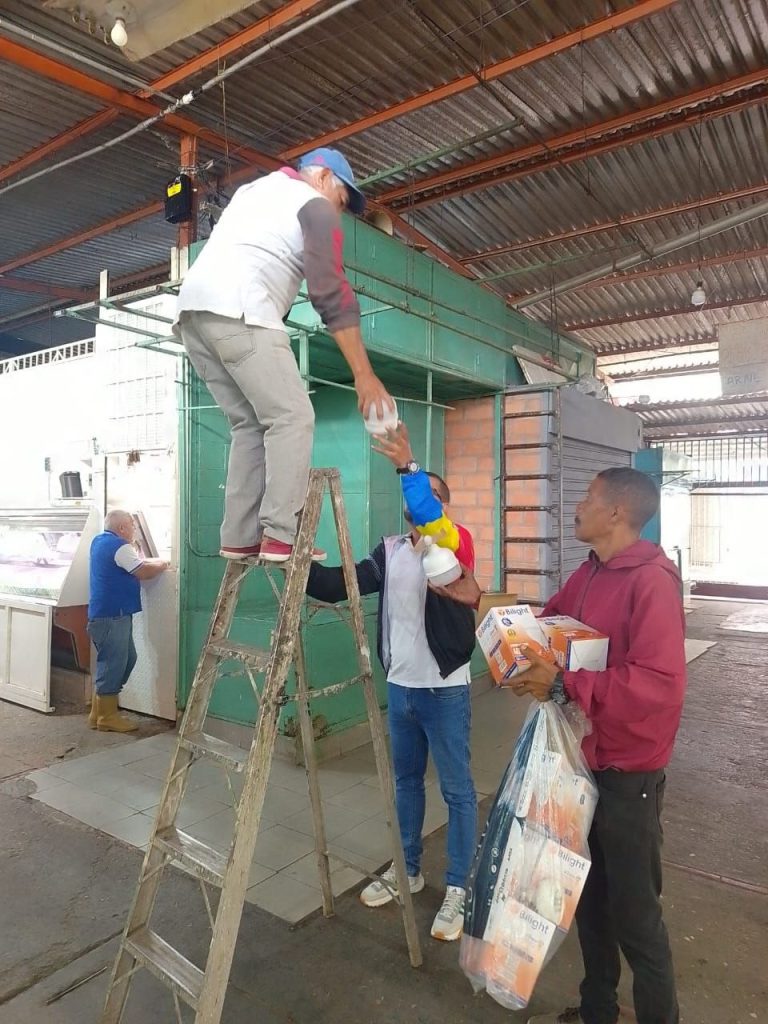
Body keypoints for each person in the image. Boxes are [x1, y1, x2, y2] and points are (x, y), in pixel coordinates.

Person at [437, 467, 686, 1024]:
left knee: (637, 917)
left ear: (617, 513)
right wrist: (481, 602)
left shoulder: (651, 582)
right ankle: (597, 1009)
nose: (577, 507)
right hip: (581, 766)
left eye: (588, 498)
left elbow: (660, 686)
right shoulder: (591, 571)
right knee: (590, 901)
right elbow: (548, 625)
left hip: (628, 775)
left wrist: (564, 683)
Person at [174, 146, 392, 564]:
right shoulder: (314, 204)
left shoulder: (255, 191)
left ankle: (239, 536)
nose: (339, 213)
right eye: (343, 201)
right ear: (324, 178)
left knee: (250, 424)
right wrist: (364, 374)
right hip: (242, 311)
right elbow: (330, 291)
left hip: (193, 318)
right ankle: (282, 535)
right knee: (293, 417)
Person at [306, 425, 477, 941]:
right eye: (421, 496)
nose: (424, 504)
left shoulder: (456, 546)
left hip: (445, 690)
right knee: (406, 784)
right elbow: (343, 585)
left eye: (432, 496)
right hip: (401, 689)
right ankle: (408, 869)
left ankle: (457, 890)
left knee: (457, 791)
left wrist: (409, 467)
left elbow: (434, 524)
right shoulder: (391, 551)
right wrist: (299, 560)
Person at [87, 510, 168, 733]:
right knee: (114, 663)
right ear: (122, 528)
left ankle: (98, 711)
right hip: (113, 615)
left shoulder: (99, 541)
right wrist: (163, 564)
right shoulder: (120, 546)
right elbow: (142, 571)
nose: (134, 529)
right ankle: (107, 716)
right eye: (132, 525)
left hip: (106, 614)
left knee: (124, 659)